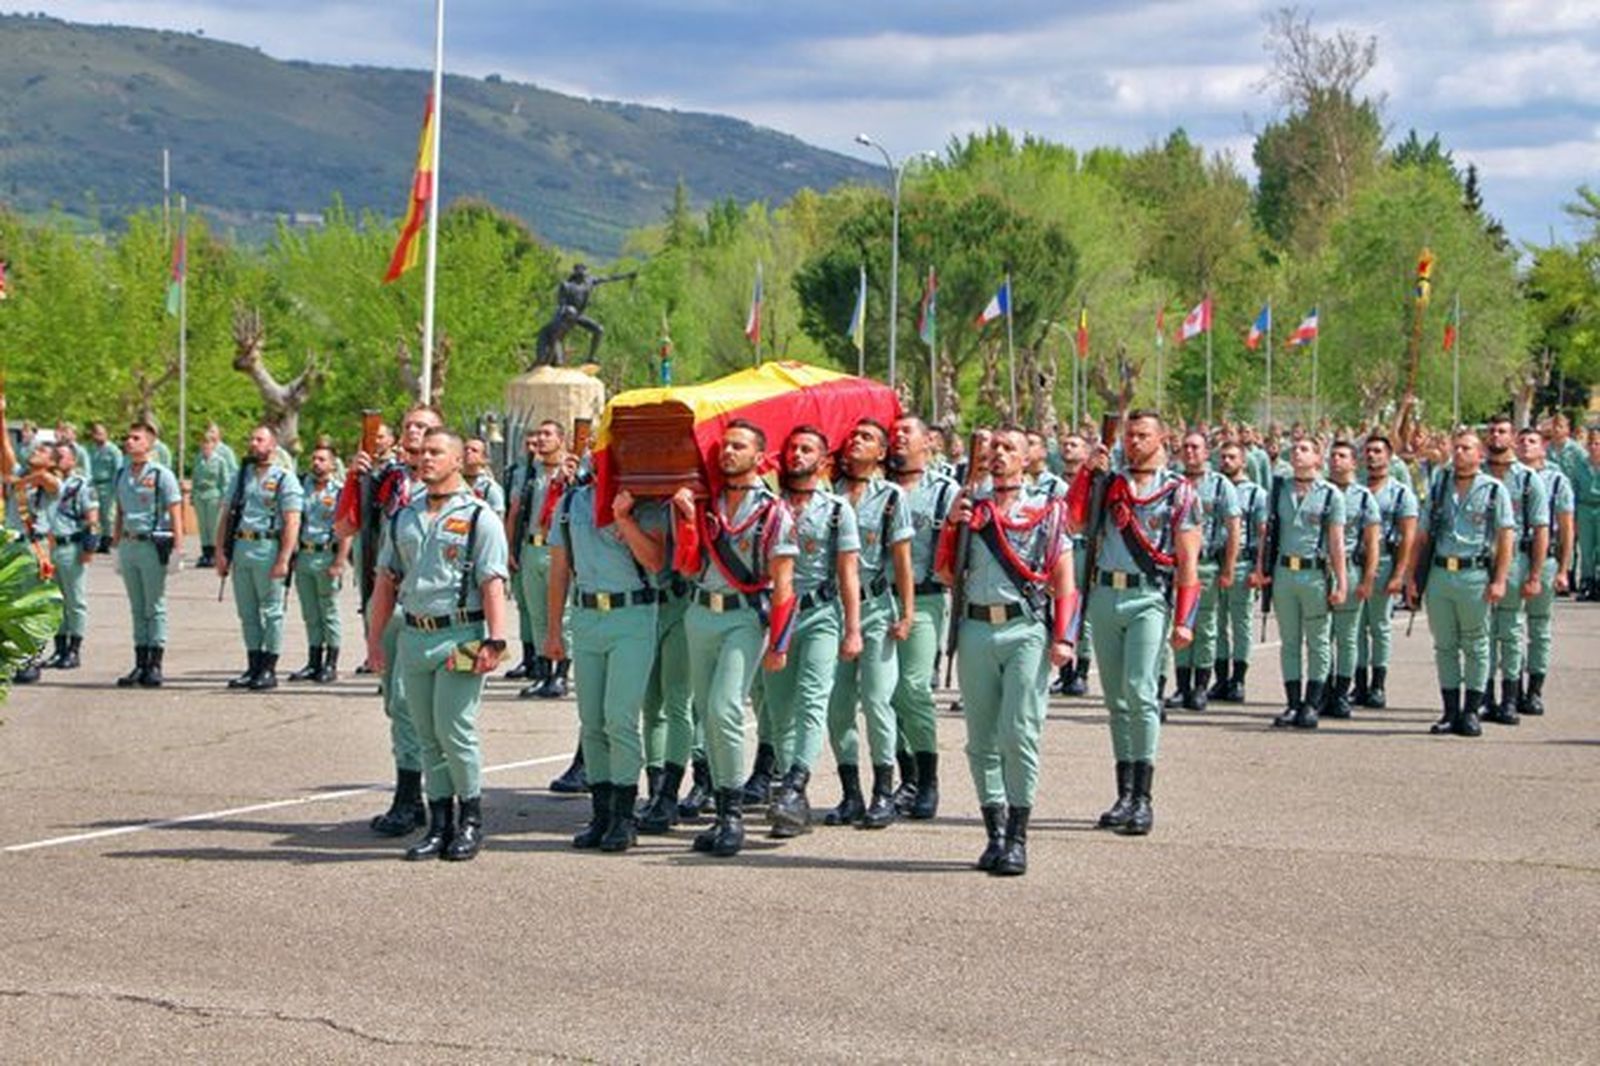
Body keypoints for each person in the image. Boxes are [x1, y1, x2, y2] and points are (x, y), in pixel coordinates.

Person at [366, 428, 510, 862]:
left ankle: (471, 820)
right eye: (422, 452)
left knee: (455, 729)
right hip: (414, 635)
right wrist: (375, 641)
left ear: (457, 461)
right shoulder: (404, 516)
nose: (425, 459)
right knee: (427, 734)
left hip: (460, 634)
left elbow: (492, 582)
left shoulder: (480, 517)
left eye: (436, 452)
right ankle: (439, 823)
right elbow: (386, 581)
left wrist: (496, 640)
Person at [939, 426, 1077, 875]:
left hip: (1024, 630)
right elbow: (944, 573)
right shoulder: (969, 507)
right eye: (993, 448)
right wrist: (951, 528)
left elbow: (1064, 581)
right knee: (980, 739)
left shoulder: (1046, 511)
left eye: (1008, 449)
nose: (998, 455)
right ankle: (994, 832)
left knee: (1019, 732)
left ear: (1027, 458)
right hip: (976, 627)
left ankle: (1018, 835)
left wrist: (1064, 637)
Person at [1066, 412, 1199, 839]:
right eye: (1129, 435)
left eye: (1143, 435)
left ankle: (1143, 797)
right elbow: (1074, 521)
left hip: (1147, 597)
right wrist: (1089, 474)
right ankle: (1123, 793)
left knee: (1141, 693)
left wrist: (1184, 619)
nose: (1134, 442)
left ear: (1163, 438)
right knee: (1117, 700)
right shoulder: (1111, 483)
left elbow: (1188, 560)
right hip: (1106, 595)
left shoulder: (1179, 492)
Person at [669, 420, 798, 857]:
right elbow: (686, 566)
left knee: (725, 709)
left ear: (759, 457)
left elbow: (783, 582)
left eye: (738, 446)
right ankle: (723, 809)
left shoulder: (775, 511)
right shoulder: (706, 503)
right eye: (724, 446)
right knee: (706, 713)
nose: (727, 452)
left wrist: (780, 642)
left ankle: (734, 816)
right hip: (700, 613)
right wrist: (686, 519)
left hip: (745, 619)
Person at [338, 404, 443, 837]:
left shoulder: (452, 488)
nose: (413, 433)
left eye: (424, 427)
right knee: (394, 702)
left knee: (410, 703)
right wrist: (355, 481)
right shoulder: (385, 482)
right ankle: (414, 791)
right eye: (408, 426)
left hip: (427, 608)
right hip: (385, 600)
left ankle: (412, 796)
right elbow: (344, 528)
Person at [548, 478, 667, 852]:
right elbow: (559, 569)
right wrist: (553, 630)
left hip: (632, 614)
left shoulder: (645, 504)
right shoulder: (570, 503)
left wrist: (623, 518)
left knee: (620, 718)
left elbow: (654, 560)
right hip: (586, 616)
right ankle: (600, 814)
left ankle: (623, 816)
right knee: (592, 720)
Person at [760, 426, 861, 838]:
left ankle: (794, 784)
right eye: (792, 448)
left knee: (812, 701)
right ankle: (793, 802)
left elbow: (848, 572)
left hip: (819, 614)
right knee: (778, 708)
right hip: (774, 617)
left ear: (822, 462)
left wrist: (852, 628)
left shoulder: (838, 510)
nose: (797, 455)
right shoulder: (768, 507)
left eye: (807, 450)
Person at [826, 419, 914, 830]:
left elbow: (901, 559)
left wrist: (907, 612)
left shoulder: (892, 497)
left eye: (867, 438)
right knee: (837, 706)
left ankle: (884, 790)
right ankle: (850, 793)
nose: (855, 442)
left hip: (876, 608)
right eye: (853, 436)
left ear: (881, 453)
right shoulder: (828, 494)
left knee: (878, 700)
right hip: (834, 611)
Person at [1407, 428, 1513, 737]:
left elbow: (1505, 537)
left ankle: (1471, 710)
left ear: (1480, 454)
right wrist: (1412, 577)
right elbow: (1423, 534)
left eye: (1467, 448)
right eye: (1457, 448)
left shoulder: (1494, 490)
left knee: (1477, 644)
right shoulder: (1440, 486)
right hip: (1441, 573)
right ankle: (1450, 710)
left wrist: (1500, 580)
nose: (1460, 453)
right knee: (1445, 645)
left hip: (1474, 574)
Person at [887, 416, 958, 818]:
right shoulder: (880, 488)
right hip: (884, 600)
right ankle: (907, 777)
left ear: (928, 442)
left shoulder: (945, 492)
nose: (898, 437)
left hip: (926, 599)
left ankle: (928, 779)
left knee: (913, 687)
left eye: (906, 432)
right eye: (893, 432)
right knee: (890, 692)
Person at [1257, 437, 1348, 729]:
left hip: (1315, 574)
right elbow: (1268, 532)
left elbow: (1336, 543)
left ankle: (1312, 702)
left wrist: (1341, 583)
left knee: (1319, 640)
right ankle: (1293, 703)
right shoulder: (1279, 489)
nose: (1297, 453)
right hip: (1284, 572)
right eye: (1295, 449)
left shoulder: (1331, 494)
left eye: (1305, 449)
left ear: (1318, 458)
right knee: (1290, 641)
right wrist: (1262, 568)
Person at [216, 426, 303, 692]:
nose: (253, 444)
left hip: (268, 547)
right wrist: (220, 550)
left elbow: (292, 520)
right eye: (251, 439)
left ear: (273, 445)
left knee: (272, 612)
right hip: (242, 546)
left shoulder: (284, 478)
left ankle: (268, 667)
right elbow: (228, 513)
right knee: (247, 612)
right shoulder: (241, 476)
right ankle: (252, 664)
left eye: (259, 439)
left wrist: (284, 558)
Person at [1165, 431, 1239, 713]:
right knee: (1180, 623)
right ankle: (1182, 685)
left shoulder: (1221, 486)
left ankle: (1200, 687)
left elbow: (1233, 528)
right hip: (1177, 564)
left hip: (1206, 564)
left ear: (1208, 452)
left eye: (1196, 447)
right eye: (1185, 447)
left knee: (1206, 628)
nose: (1190, 452)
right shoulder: (1172, 484)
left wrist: (1228, 568)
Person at [1483, 414, 1548, 726]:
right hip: (1479, 562)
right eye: (1492, 431)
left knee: (1509, 632)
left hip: (1516, 561)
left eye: (1502, 431)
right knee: (1480, 633)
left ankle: (1510, 698)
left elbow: (1540, 529)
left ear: (1512, 438)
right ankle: (1482, 696)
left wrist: (1535, 575)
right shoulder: (1474, 475)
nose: (1496, 436)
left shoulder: (1527, 480)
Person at [112, 421, 184, 688]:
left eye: (136, 438)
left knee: (154, 605)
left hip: (152, 544)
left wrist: (178, 547)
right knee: (137, 606)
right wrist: (115, 543)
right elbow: (119, 510)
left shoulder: (161, 474)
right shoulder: (122, 474)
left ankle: (155, 662)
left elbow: (175, 509)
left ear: (150, 444)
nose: (129, 442)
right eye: (128, 438)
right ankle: (140, 662)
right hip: (129, 544)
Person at [505, 420, 572, 702]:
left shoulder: (572, 471)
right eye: (539, 434)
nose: (542, 440)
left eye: (548, 434)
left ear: (561, 439)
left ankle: (561, 674)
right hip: (532, 548)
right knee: (537, 614)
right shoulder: (529, 473)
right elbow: (515, 510)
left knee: (563, 615)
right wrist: (509, 548)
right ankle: (543, 672)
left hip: (560, 551)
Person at [1353, 434, 1418, 709]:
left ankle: (1378, 684)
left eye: (1378, 451)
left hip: (1385, 563)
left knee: (1379, 626)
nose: (1372, 456)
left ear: (1389, 456)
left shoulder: (1401, 493)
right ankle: (1359, 681)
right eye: (1368, 451)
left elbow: (1408, 536)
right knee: (1354, 627)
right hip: (1356, 563)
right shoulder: (1353, 490)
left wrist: (1399, 575)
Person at [1516, 426, 1573, 716]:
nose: (1526, 445)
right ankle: (1511, 688)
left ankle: (1535, 689)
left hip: (1546, 558)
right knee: (1508, 627)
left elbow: (1565, 528)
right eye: (1522, 440)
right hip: (1514, 557)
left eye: (1532, 441)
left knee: (1539, 627)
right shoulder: (1507, 478)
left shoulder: (1557, 481)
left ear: (1543, 447)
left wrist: (1564, 568)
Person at [1322, 441, 1379, 719]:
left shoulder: (1364, 497)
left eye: (1342, 456)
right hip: (1320, 570)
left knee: (1347, 637)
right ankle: (1322, 690)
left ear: (1354, 463)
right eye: (1332, 455)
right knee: (1321, 636)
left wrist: (1368, 579)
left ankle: (1342, 692)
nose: (1336, 461)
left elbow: (1372, 542)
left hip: (1350, 567)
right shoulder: (1318, 492)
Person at [1209, 440, 1267, 703]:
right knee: (1216, 623)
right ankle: (1220, 678)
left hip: (1243, 563)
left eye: (1232, 457)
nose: (1226, 462)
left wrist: (1259, 569)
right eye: (1223, 457)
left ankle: (1238, 678)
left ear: (1243, 461)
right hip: (1214, 560)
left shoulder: (1256, 494)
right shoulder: (1216, 488)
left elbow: (1263, 534)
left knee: (1240, 624)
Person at [288, 440, 351, 683]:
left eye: (322, 459)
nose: (316, 463)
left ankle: (330, 663)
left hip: (326, 555)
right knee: (310, 612)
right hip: (304, 554)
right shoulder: (301, 486)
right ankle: (313, 661)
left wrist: (339, 561)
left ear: (333, 464)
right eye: (314, 459)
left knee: (329, 611)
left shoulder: (339, 490)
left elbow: (346, 529)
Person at [39, 442, 99, 671]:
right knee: (55, 600)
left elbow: (92, 517)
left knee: (75, 600)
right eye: (55, 455)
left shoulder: (81, 484)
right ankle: (60, 647)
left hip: (71, 546)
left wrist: (89, 549)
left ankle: (74, 649)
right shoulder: (47, 484)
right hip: (50, 546)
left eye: (62, 456)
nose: (58, 459)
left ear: (73, 460)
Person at [190, 424, 238, 569]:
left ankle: (215, 552)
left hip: (214, 495)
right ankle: (205, 552)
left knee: (214, 525)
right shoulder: (198, 459)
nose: (206, 445)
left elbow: (226, 478)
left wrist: (225, 497)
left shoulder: (221, 458)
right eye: (204, 442)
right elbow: (195, 478)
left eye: (209, 442)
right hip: (200, 495)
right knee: (203, 526)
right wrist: (193, 495)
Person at [86, 421, 122, 552]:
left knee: (107, 515)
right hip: (93, 484)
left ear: (106, 434)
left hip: (108, 485)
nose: (98, 436)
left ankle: (108, 539)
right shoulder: (90, 449)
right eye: (96, 433)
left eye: (100, 433)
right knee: (95, 514)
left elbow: (118, 469)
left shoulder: (113, 450)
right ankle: (98, 539)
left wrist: (115, 488)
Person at [1577, 430, 1600, 601]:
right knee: (1586, 548)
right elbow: (1574, 487)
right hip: (1584, 507)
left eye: (1597, 444)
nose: (1593, 447)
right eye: (1590, 444)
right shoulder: (1581, 464)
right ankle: (1587, 581)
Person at [464, 437, 506, 518]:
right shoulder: (455, 482)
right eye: (465, 449)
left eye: (474, 450)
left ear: (484, 458)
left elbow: (498, 516)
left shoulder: (489, 487)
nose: (468, 452)